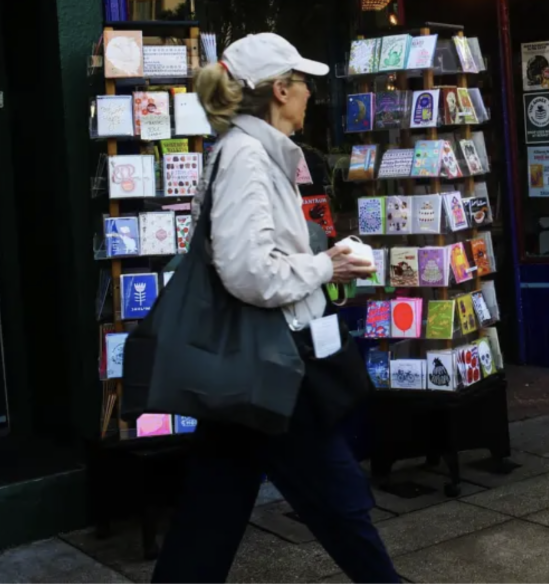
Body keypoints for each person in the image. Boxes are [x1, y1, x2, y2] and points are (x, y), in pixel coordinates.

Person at [151, 33, 399, 584]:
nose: (312, 93)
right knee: (339, 501)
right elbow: (248, 271)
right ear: (280, 90)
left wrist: (317, 252)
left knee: (211, 511)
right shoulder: (246, 158)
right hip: (274, 364)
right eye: (304, 83)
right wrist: (325, 267)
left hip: (252, 364)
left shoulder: (252, 152)